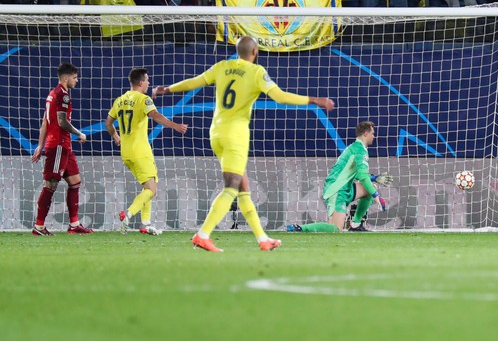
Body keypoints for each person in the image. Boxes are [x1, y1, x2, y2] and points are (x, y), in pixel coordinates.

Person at [153, 36, 335, 252]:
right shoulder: (256, 72)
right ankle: (203, 234)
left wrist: (168, 89)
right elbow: (280, 96)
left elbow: (196, 81)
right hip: (235, 135)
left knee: (243, 189)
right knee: (231, 187)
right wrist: (314, 100)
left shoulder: (223, 66)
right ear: (255, 51)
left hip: (216, 132)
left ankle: (262, 239)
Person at [105, 67, 188, 235]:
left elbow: (108, 123)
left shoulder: (119, 100)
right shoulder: (144, 99)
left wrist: (116, 136)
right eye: (148, 80)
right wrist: (175, 126)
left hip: (126, 152)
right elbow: (156, 116)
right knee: (152, 189)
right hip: (140, 150)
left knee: (149, 184)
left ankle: (146, 223)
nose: (149, 83)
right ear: (141, 82)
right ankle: (128, 214)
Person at [287, 121, 392, 232]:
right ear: (366, 134)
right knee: (336, 229)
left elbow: (354, 173)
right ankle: (300, 228)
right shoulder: (359, 150)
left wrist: (374, 178)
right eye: (372, 133)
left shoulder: (355, 147)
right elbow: (362, 176)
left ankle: (355, 225)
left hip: (345, 187)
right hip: (337, 189)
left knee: (370, 187)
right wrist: (377, 197)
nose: (373, 136)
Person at [31, 63, 93, 235]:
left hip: (64, 146)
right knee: (50, 184)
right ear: (65, 78)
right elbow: (62, 122)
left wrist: (40, 145)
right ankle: (39, 226)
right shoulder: (62, 95)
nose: (77, 80)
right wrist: (80, 133)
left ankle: (74, 225)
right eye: (74, 77)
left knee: (75, 182)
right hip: (58, 145)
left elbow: (45, 121)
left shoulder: (52, 94)